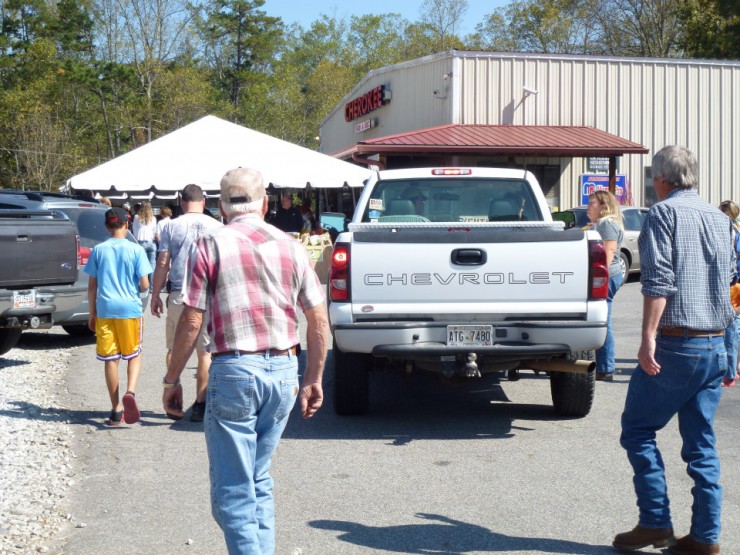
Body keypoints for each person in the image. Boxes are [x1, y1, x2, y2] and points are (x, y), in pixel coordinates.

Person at [162, 167, 329, 554]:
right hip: (285, 370)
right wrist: (314, 378)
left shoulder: (211, 245)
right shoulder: (291, 247)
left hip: (236, 369)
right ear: (266, 203)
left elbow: (191, 319)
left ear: (220, 207)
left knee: (233, 493)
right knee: (257, 479)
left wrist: (172, 379)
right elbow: (318, 318)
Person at [613, 146, 734, 555]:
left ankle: (654, 521)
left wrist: (647, 338)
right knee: (701, 442)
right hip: (714, 341)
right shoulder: (721, 218)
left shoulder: (663, 214)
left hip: (678, 344)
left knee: (638, 430)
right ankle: (705, 536)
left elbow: (659, 282)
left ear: (660, 178)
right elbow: (727, 288)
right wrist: (731, 348)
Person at [150, 184, 222, 422]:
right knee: (205, 353)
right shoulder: (218, 227)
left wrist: (155, 295)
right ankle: (200, 404)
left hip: (180, 291)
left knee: (174, 347)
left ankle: (174, 392)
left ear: (181, 202)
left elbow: (162, 263)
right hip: (209, 294)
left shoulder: (171, 226)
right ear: (204, 202)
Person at [85, 207, 152, 426]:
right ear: (127, 224)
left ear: (107, 226)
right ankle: (130, 392)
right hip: (129, 310)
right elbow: (144, 284)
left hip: (105, 309)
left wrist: (92, 313)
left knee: (110, 359)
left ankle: (115, 410)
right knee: (134, 353)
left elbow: (92, 286)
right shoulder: (136, 250)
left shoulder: (98, 250)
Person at [586, 189, 624, 381]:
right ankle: (604, 365)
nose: (588, 206)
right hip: (607, 277)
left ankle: (606, 367)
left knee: (604, 321)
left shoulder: (607, 223)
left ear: (603, 206)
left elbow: (608, 254)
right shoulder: (598, 224)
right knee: (602, 319)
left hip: (608, 277)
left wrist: (600, 279)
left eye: (592, 203)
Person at [719, 200, 740, 387]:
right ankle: (734, 369)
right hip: (735, 283)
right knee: (735, 327)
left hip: (733, 284)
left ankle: (730, 373)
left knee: (732, 327)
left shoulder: (731, 231)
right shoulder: (735, 230)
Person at [132, 200, 157, 286]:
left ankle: (143, 283)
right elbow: (154, 230)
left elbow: (134, 230)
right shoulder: (153, 218)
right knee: (152, 263)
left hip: (140, 242)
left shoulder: (136, 217)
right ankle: (152, 285)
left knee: (141, 264)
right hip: (151, 241)